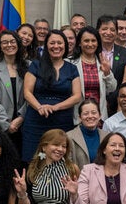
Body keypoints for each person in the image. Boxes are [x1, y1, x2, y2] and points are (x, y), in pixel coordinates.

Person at [22, 30, 82, 161]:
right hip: (36, 120)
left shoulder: (72, 68)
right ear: (46, 45)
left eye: (60, 43)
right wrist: (40, 107)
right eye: (52, 43)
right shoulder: (36, 65)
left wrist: (56, 107)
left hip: (62, 121)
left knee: (60, 161)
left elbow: (77, 96)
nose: (56, 46)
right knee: (34, 160)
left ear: (65, 46)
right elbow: (27, 92)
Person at [0, 30, 28, 155]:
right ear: (0, 46)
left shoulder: (29, 66)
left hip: (22, 126)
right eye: (5, 42)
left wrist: (20, 118)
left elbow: (31, 95)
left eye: (12, 41)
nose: (9, 45)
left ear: (18, 44)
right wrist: (7, 124)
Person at [71, 26, 117, 123]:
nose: (90, 44)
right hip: (78, 117)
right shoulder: (70, 63)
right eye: (86, 41)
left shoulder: (102, 62)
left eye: (93, 40)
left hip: (99, 117)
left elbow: (112, 88)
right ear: (79, 43)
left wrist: (107, 72)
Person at [67, 99, 109, 169]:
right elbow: (68, 165)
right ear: (80, 117)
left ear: (100, 116)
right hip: (78, 179)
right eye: (85, 113)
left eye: (94, 112)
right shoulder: (69, 137)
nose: (90, 116)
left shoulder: (107, 137)